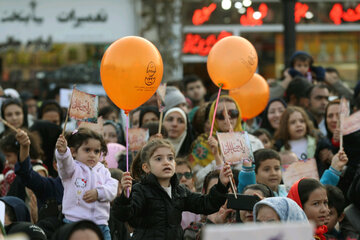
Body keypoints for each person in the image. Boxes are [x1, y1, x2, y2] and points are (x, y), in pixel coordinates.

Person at [112, 139, 233, 240]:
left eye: (170, 158)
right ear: (146, 167)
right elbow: (124, 214)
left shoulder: (179, 191)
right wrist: (124, 196)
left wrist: (221, 184)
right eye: (159, 159)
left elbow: (206, 204)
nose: (166, 162)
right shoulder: (141, 190)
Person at [55, 128, 118, 240]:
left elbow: (113, 188)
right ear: (73, 152)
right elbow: (64, 164)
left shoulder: (103, 170)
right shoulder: (72, 169)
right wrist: (63, 152)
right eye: (87, 150)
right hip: (75, 222)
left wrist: (98, 193)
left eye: (96, 151)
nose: (92, 155)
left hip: (101, 224)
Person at [237, 148, 348, 196]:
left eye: (276, 168)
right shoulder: (253, 194)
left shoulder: (288, 190)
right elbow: (247, 185)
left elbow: (316, 192)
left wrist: (334, 169)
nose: (273, 173)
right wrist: (247, 168)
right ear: (254, 174)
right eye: (266, 169)